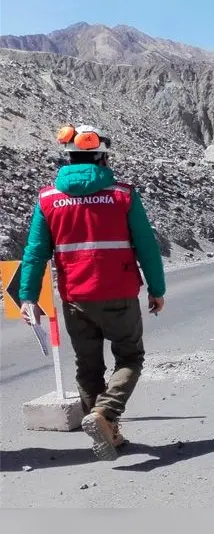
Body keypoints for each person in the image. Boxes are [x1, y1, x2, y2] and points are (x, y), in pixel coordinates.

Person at [18, 124, 166, 461]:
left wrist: (29, 297)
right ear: (101, 158)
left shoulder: (48, 198)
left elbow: (35, 252)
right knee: (130, 357)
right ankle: (106, 415)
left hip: (75, 298)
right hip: (119, 293)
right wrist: (157, 289)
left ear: (67, 157)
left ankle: (107, 432)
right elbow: (146, 246)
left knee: (88, 366)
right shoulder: (123, 195)